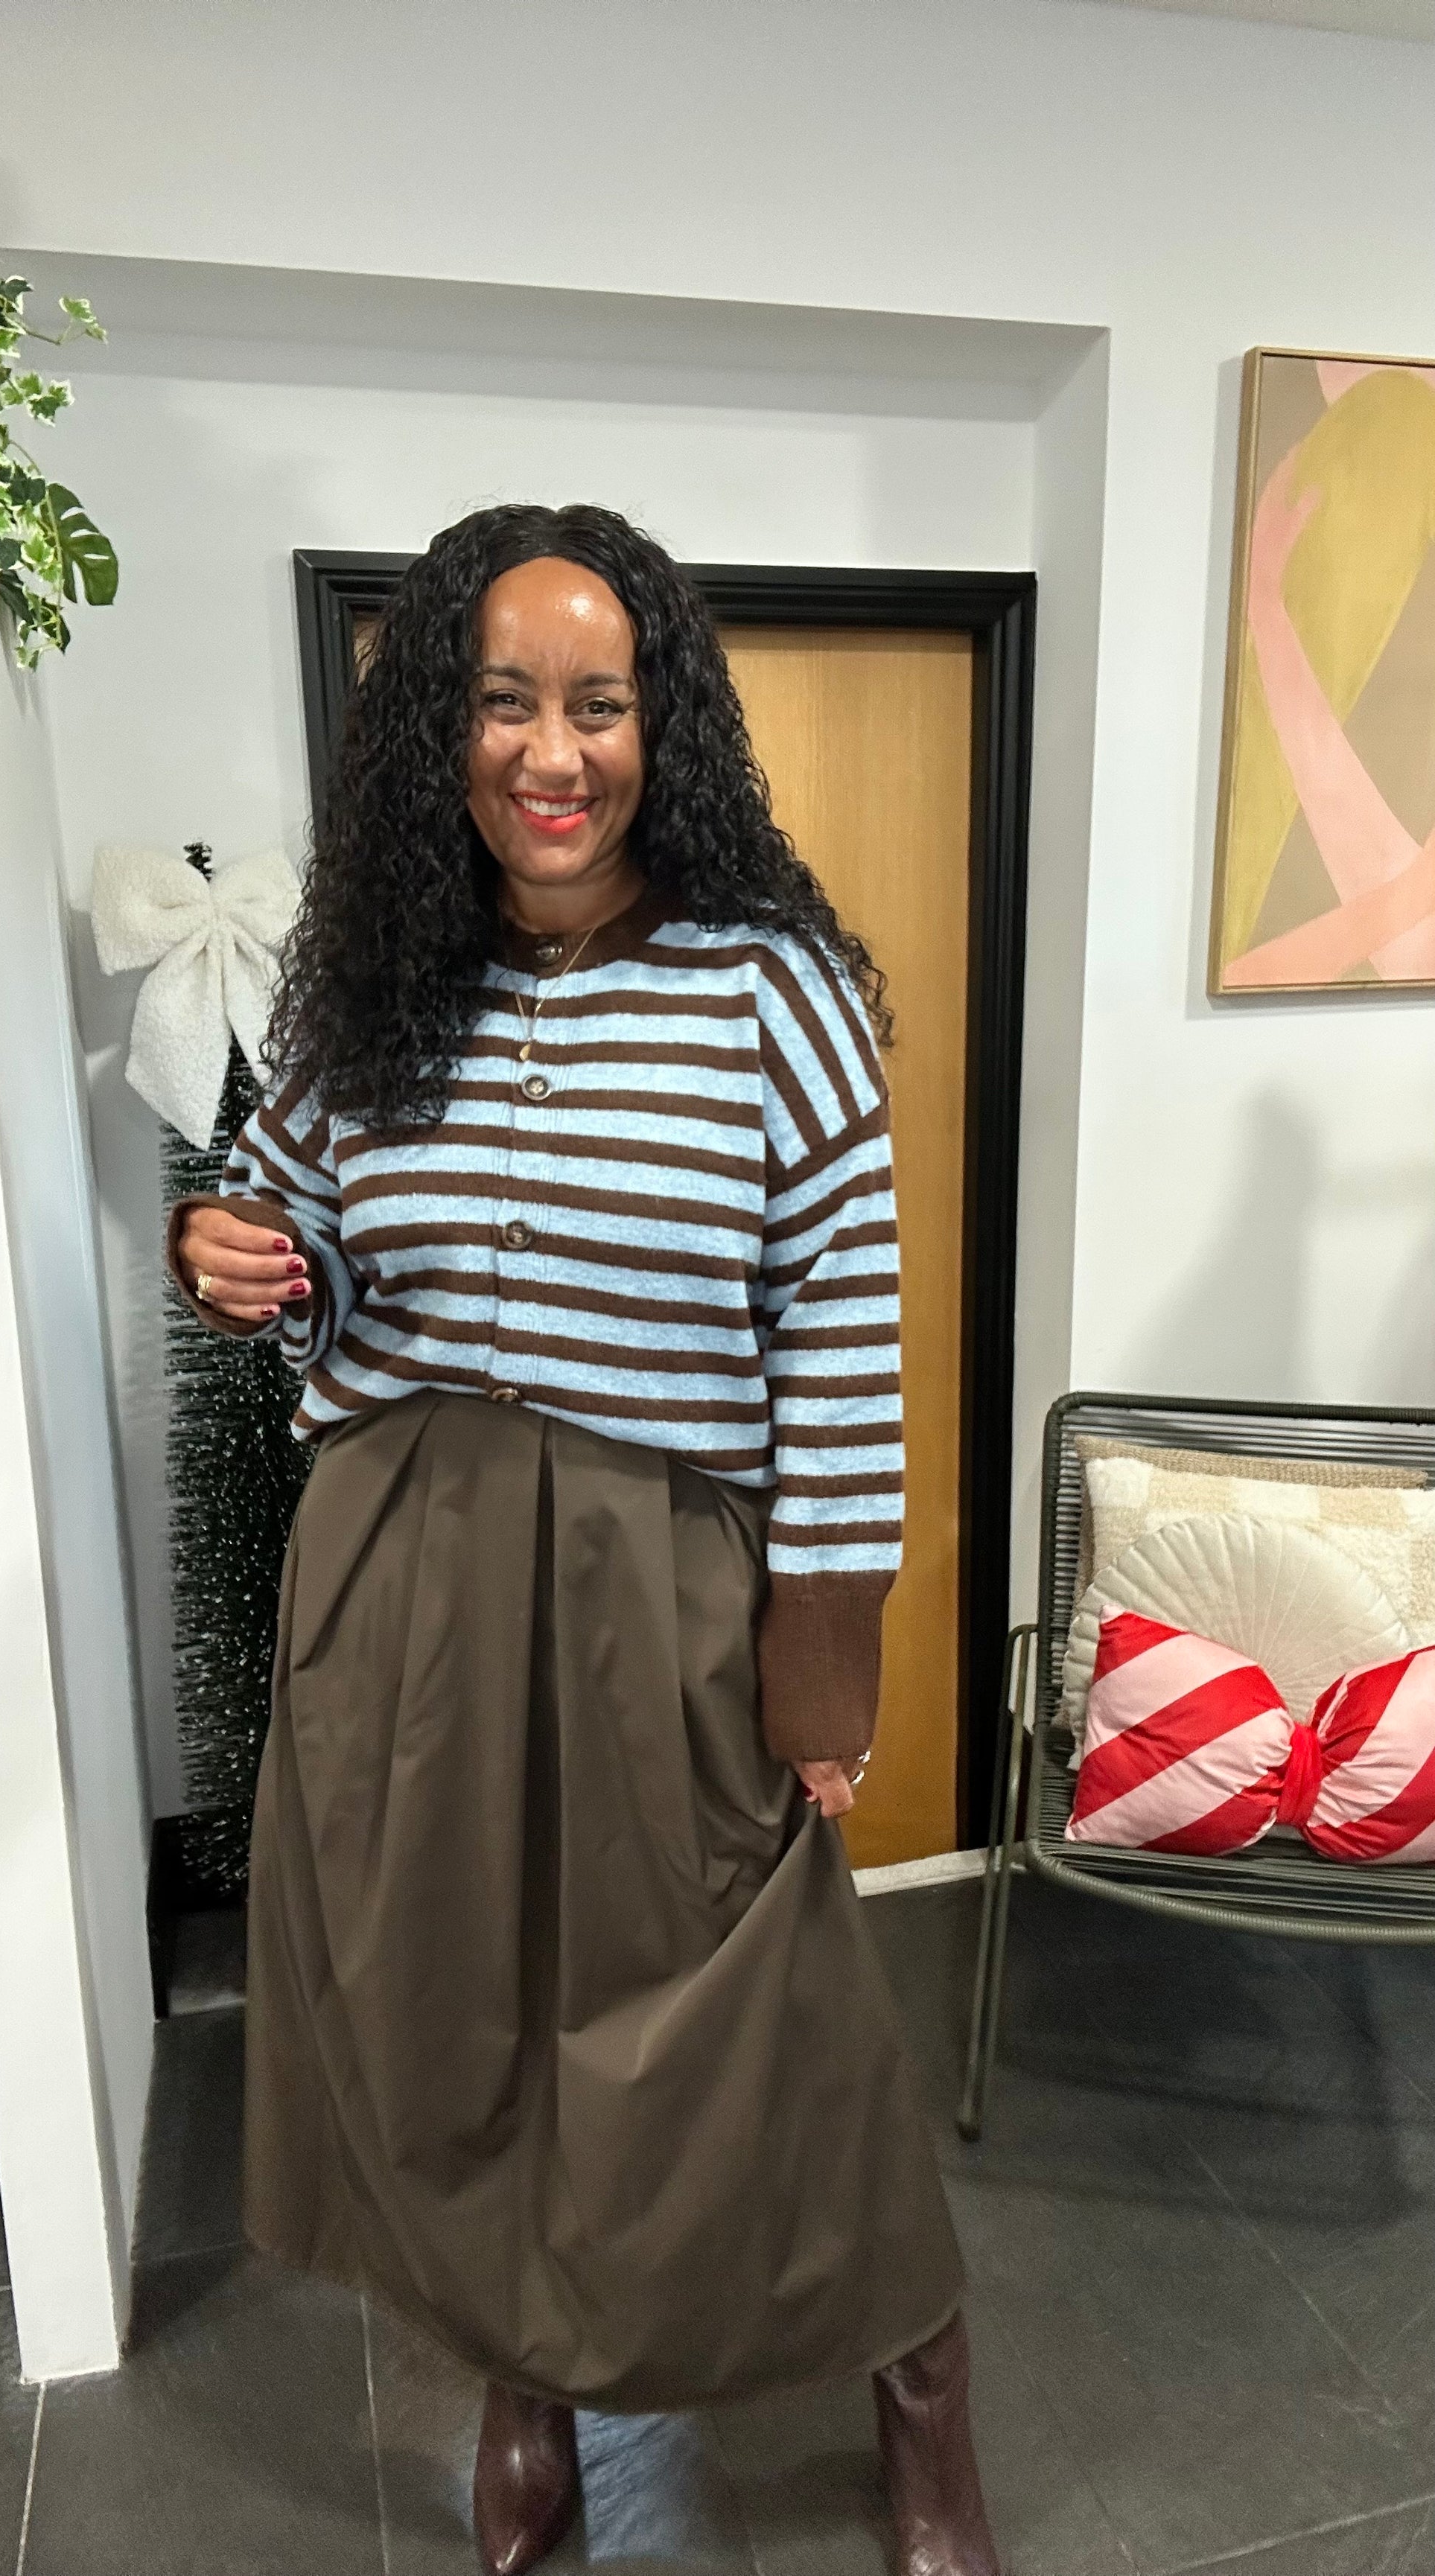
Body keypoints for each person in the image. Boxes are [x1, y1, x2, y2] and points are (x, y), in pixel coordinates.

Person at [169, 502, 1000, 2576]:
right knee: (453, 2005)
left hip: (663, 1588)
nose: (552, 751)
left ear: (662, 729)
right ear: (437, 733)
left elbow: (844, 1346)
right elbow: (301, 1247)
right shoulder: (367, 990)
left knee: (762, 2015)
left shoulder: (773, 994)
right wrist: (234, 1258)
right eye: (503, 700)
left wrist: (823, 1668)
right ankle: (525, 2389)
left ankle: (916, 2387)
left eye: (599, 704)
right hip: (403, 1577)